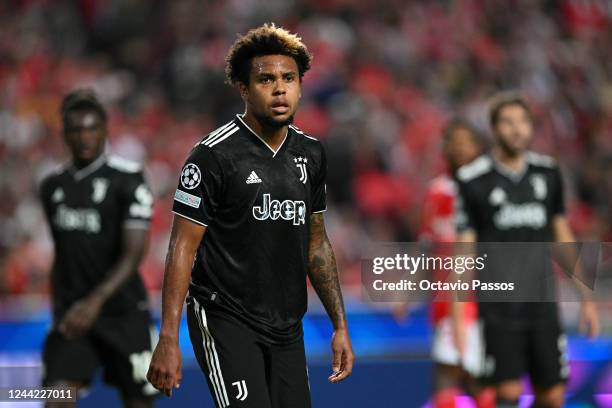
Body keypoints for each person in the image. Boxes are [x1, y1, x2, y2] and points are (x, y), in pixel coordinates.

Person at [147, 23, 354, 408]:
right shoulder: (213, 156)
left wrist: (339, 325)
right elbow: (181, 248)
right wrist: (168, 338)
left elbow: (317, 245)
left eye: (289, 78)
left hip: (287, 326)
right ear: (244, 89)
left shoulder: (311, 154)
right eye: (266, 79)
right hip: (224, 315)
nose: (279, 88)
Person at [454, 92, 600, 408]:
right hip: (498, 307)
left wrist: (586, 298)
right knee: (506, 393)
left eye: (523, 122)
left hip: (542, 304)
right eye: (508, 122)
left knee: (553, 395)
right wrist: (458, 317)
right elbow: (463, 252)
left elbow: (560, 235)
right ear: (494, 129)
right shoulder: (473, 180)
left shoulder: (547, 173)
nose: (517, 129)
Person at [39, 89, 158, 408]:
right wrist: (59, 308)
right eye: (76, 129)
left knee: (138, 402)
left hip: (123, 313)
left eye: (92, 128)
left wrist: (94, 302)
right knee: (56, 397)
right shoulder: (52, 187)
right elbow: (62, 254)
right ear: (64, 134)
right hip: (74, 313)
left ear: (105, 131)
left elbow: (134, 253)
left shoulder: (128, 180)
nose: (84, 137)